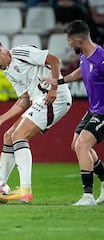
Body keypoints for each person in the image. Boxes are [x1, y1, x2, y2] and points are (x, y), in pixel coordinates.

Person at [0, 38, 72, 203]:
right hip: (39, 101)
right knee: (9, 135)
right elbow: (24, 100)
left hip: (54, 98)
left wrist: (55, 88)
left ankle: (25, 190)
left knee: (19, 135)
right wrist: (1, 118)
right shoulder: (8, 72)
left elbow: (55, 60)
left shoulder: (21, 53)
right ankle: (0, 182)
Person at [43, 20, 104, 206]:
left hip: (103, 112)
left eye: (69, 41)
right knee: (76, 145)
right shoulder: (85, 56)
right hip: (93, 109)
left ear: (78, 40)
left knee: (82, 146)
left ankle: (88, 196)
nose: (68, 44)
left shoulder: (101, 58)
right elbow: (80, 71)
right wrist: (58, 82)